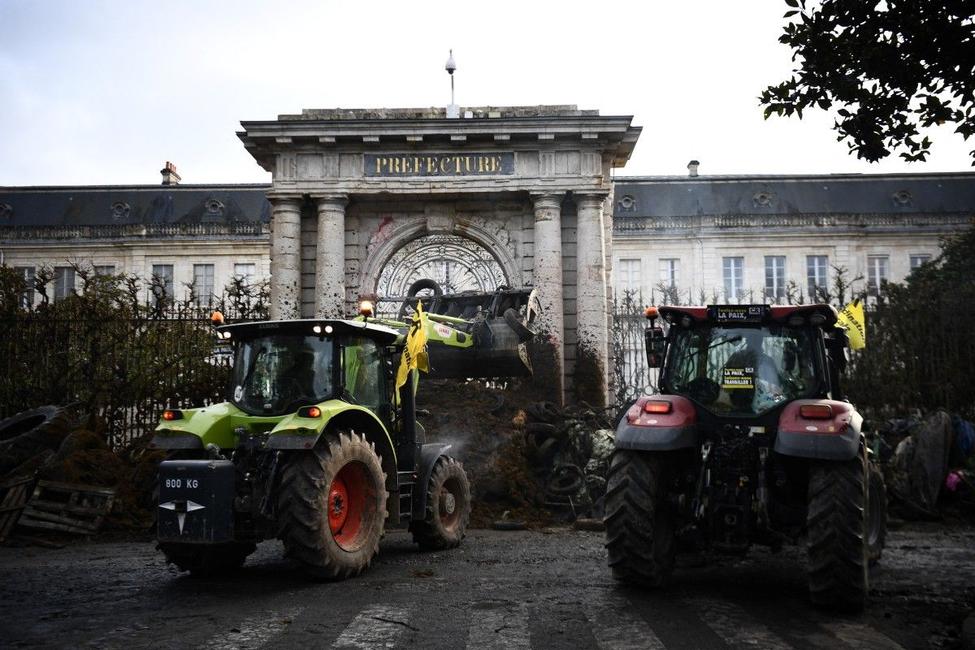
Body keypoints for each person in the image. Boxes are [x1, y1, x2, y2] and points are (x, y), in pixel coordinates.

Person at [722, 329, 783, 411]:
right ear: (747, 340)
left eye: (757, 339)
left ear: (760, 340)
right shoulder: (736, 358)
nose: (754, 341)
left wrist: (776, 405)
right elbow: (726, 387)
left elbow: (776, 392)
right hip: (738, 408)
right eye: (752, 338)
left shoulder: (768, 362)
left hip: (764, 409)